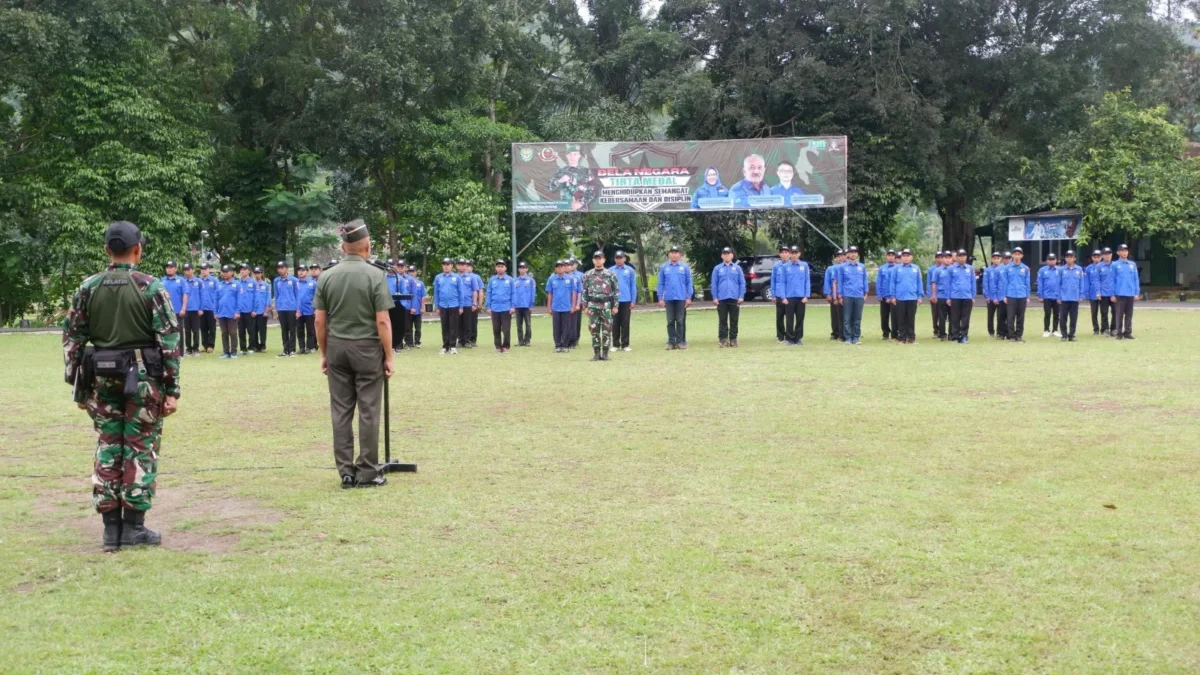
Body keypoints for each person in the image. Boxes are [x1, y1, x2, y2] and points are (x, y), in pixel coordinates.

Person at [63, 221, 179, 551]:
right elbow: (169, 342)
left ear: (106, 251)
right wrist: (172, 390)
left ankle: (110, 530)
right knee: (140, 447)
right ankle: (134, 528)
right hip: (144, 381)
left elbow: (72, 339)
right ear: (138, 249)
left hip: (100, 380)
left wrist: (78, 387)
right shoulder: (151, 287)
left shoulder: (88, 287)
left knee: (109, 445)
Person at [314, 219, 395, 489]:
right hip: (367, 348)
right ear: (367, 246)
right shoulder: (375, 275)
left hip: (337, 347)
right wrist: (389, 356)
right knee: (369, 411)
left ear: (343, 247)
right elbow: (383, 321)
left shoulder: (326, 276)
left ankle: (346, 473)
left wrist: (324, 353)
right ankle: (367, 472)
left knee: (340, 411)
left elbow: (319, 322)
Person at [583, 251, 620, 360]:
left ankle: (605, 353)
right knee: (594, 330)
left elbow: (616, 291)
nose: (598, 260)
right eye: (596, 258)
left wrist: (615, 306)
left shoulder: (610, 274)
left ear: (604, 260)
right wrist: (584, 307)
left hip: (606, 305)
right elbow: (584, 291)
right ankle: (596, 353)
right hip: (592, 305)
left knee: (607, 330)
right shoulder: (588, 275)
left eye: (600, 258)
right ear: (593, 260)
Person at [657, 246, 694, 349]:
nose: (674, 254)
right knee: (670, 321)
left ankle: (681, 342)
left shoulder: (684, 267)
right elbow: (661, 283)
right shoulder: (664, 267)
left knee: (680, 320)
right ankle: (671, 342)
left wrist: (688, 297)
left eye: (676, 252)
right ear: (669, 254)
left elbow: (689, 283)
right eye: (672, 252)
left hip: (681, 297)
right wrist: (660, 298)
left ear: (680, 255)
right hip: (668, 298)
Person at [711, 247, 746, 347]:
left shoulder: (737, 268)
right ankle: (723, 339)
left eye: (728, 254)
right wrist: (715, 297)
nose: (726, 255)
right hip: (721, 298)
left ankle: (733, 339)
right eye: (724, 254)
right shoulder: (717, 268)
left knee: (734, 320)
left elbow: (742, 283)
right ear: (722, 256)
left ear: (732, 255)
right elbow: (714, 284)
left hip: (734, 297)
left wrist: (741, 296)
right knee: (722, 320)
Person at [834, 246, 868, 344]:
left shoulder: (862, 267)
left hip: (859, 295)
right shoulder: (843, 267)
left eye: (855, 252)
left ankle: (856, 337)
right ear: (847, 254)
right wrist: (840, 295)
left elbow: (865, 280)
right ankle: (848, 337)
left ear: (857, 254)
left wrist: (865, 293)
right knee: (847, 318)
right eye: (851, 252)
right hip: (847, 295)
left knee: (857, 317)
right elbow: (840, 281)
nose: (853, 254)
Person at [891, 249, 924, 344]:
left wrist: (920, 296)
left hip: (912, 297)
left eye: (908, 255)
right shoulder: (896, 268)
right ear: (901, 257)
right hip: (900, 297)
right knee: (901, 318)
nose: (906, 257)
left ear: (911, 257)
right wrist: (893, 296)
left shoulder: (916, 268)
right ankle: (901, 338)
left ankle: (911, 338)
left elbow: (919, 283)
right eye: (904, 256)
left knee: (911, 318)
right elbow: (892, 283)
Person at [548, 144, 594, 211]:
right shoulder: (561, 171)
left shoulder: (586, 171)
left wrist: (581, 203)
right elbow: (550, 187)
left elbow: (592, 190)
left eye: (575, 154)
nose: (572, 157)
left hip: (581, 209)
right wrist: (560, 180)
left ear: (579, 156)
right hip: (565, 208)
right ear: (567, 156)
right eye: (570, 154)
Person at [545, 260, 577, 353]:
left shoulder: (570, 279)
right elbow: (550, 294)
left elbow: (573, 293)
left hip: (567, 306)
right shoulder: (552, 279)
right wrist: (549, 307)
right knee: (556, 327)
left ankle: (565, 345)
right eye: (558, 267)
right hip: (556, 307)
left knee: (566, 327)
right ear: (555, 268)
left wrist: (573, 306)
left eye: (562, 266)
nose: (560, 268)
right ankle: (558, 345)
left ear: (564, 267)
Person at [432, 258, 462, 355]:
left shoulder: (457, 277)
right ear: (442, 266)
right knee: (444, 326)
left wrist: (461, 307)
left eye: (448, 264)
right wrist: (436, 306)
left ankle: (453, 346)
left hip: (454, 304)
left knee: (453, 326)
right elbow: (436, 293)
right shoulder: (438, 277)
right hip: (443, 305)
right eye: (444, 264)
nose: (446, 266)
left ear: (452, 266)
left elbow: (461, 293)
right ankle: (445, 346)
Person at [945, 249, 976, 343]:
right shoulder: (951, 269)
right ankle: (955, 336)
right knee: (955, 318)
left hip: (967, 296)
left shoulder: (970, 269)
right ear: (957, 257)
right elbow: (948, 284)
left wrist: (973, 296)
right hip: (955, 296)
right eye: (960, 256)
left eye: (964, 256)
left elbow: (973, 283)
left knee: (965, 318)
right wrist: (948, 297)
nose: (962, 258)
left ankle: (964, 336)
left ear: (966, 257)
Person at [783, 246, 811, 345]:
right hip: (789, 297)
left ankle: (798, 338)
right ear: (789, 254)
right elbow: (782, 282)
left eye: (796, 253)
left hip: (801, 297)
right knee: (789, 319)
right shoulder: (785, 266)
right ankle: (790, 338)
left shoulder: (804, 265)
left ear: (799, 254)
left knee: (800, 318)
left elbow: (807, 281)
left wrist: (806, 295)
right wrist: (783, 297)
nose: (794, 255)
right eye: (792, 253)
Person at [1111, 243, 1140, 339]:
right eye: (1122, 251)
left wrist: (1136, 292)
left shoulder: (1132, 265)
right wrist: (1112, 294)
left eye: (1126, 250)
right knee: (1119, 314)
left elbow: (1136, 279)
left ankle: (1127, 332)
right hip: (1120, 293)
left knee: (1129, 314)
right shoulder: (1115, 265)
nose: (1124, 253)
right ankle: (1119, 333)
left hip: (1130, 293)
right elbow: (1112, 280)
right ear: (1118, 252)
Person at [610, 251, 637, 351]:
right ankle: (615, 344)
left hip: (626, 300)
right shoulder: (610, 270)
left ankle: (625, 344)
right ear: (614, 259)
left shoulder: (629, 270)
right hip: (614, 300)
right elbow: (608, 287)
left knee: (625, 323)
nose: (619, 259)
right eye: (617, 258)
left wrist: (633, 300)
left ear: (624, 258)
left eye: (621, 258)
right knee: (615, 323)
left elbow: (633, 286)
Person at [271, 261, 300, 357]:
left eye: (282, 267)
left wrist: (298, 310)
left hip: (291, 308)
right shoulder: (276, 281)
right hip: (281, 308)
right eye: (279, 268)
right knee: (284, 330)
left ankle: (292, 350)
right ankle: (285, 350)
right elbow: (276, 295)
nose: (280, 270)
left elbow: (298, 296)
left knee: (292, 329)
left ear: (286, 269)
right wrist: (276, 310)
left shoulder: (294, 280)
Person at [1057, 250, 1087, 342]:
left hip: (1075, 298)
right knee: (1063, 318)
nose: (1069, 258)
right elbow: (1058, 284)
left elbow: (1081, 283)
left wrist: (1081, 295)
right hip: (1064, 297)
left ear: (1074, 258)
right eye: (1067, 257)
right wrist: (1058, 297)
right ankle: (1064, 335)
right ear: (1065, 258)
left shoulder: (1079, 269)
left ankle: (1072, 335)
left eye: (1071, 257)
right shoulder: (1061, 270)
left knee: (1073, 318)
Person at [487, 259, 515, 353]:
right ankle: (498, 347)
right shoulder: (492, 280)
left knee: (506, 329)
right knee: (496, 328)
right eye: (498, 266)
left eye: (502, 266)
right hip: (495, 308)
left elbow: (513, 294)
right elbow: (489, 293)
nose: (500, 268)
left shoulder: (510, 280)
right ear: (496, 268)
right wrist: (488, 307)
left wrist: (513, 306)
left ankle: (506, 346)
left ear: (505, 268)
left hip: (506, 307)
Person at [1003, 247, 1031, 342]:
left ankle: (1019, 335)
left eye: (1019, 254)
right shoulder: (1007, 268)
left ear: (1022, 256)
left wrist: (1028, 296)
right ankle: (1011, 336)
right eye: (1015, 254)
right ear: (1012, 255)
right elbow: (1005, 283)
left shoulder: (1025, 268)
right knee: (1010, 316)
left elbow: (1027, 283)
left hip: (1022, 295)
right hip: (1010, 295)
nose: (1017, 256)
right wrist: (1004, 296)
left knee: (1020, 316)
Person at [216, 264, 242, 359]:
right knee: (224, 333)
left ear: (232, 273)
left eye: (227, 272)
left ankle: (234, 352)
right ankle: (226, 352)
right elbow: (216, 299)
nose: (225, 274)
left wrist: (237, 312)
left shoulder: (237, 284)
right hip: (221, 312)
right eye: (224, 272)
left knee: (233, 333)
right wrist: (215, 312)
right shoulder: (219, 285)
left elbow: (239, 299)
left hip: (232, 313)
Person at [386, 260, 409, 353]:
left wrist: (403, 306)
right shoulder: (382, 278)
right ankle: (387, 346)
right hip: (385, 304)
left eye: (392, 265)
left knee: (398, 326)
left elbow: (404, 293)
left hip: (397, 304)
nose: (391, 267)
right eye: (389, 265)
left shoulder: (400, 279)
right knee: (387, 325)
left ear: (395, 266)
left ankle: (397, 345)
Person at [1037, 253, 1061, 338]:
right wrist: (1040, 295)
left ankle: (1055, 330)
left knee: (1056, 314)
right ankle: (1046, 330)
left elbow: (1062, 283)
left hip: (1057, 296)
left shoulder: (1060, 270)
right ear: (1047, 261)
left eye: (1053, 259)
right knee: (1047, 314)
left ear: (1056, 260)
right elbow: (1040, 283)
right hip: (1046, 296)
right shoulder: (1042, 270)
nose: (1051, 261)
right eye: (1050, 259)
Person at [983, 252, 1005, 339]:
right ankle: (991, 331)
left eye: (998, 258)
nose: (996, 260)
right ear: (992, 260)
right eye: (994, 258)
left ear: (1000, 259)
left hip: (1000, 297)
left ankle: (1000, 332)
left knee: (1000, 316)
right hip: (990, 297)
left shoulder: (1003, 269)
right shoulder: (988, 270)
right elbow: (985, 283)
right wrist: (987, 296)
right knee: (990, 315)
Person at [197, 263, 219, 353]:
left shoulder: (214, 280)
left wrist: (216, 310)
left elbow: (218, 294)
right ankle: (205, 345)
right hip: (202, 308)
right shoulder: (198, 281)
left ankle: (211, 345)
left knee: (212, 328)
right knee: (203, 328)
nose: (203, 271)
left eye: (205, 269)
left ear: (209, 270)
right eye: (202, 269)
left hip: (211, 308)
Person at [297, 264, 318, 354]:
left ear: (307, 272)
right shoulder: (296, 283)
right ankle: (301, 347)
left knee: (310, 330)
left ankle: (309, 347)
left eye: (303, 270)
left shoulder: (313, 283)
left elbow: (317, 297)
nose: (301, 272)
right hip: (299, 311)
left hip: (309, 309)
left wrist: (316, 309)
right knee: (300, 330)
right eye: (299, 270)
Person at [824, 250, 845, 341]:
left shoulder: (847, 267)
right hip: (834, 294)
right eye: (838, 256)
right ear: (835, 258)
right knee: (835, 315)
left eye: (842, 256)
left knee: (846, 315)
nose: (840, 258)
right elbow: (827, 282)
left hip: (845, 294)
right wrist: (827, 294)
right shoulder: (830, 269)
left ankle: (844, 333)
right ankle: (835, 333)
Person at [513, 262, 535, 347]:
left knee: (528, 324)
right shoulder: (515, 281)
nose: (522, 269)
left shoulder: (530, 280)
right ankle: (520, 341)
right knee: (519, 325)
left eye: (524, 267)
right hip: (518, 306)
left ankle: (527, 340)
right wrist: (513, 305)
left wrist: (531, 305)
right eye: (520, 267)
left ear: (526, 269)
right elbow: (513, 293)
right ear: (518, 269)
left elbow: (533, 293)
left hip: (527, 306)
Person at [772, 245, 791, 342]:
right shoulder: (776, 266)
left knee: (789, 316)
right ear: (780, 254)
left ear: (789, 254)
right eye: (782, 252)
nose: (784, 254)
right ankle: (780, 335)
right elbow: (773, 281)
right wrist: (773, 295)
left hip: (789, 294)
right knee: (779, 316)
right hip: (779, 294)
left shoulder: (792, 265)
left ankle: (789, 335)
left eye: (786, 252)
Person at [182, 263, 202, 356]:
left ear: (193, 270)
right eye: (185, 270)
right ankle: (188, 349)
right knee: (187, 330)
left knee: (196, 330)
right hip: (185, 310)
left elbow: (203, 296)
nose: (187, 271)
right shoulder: (182, 281)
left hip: (195, 309)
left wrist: (201, 308)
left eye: (189, 269)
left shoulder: (198, 281)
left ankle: (196, 348)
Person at [876, 250, 897, 340]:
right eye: (889, 255)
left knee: (895, 316)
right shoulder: (882, 268)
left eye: (892, 255)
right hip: (884, 296)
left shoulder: (898, 268)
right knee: (884, 316)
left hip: (894, 297)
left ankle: (895, 333)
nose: (891, 257)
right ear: (886, 257)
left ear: (895, 257)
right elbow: (879, 282)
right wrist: (879, 294)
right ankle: (885, 333)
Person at [236, 264, 255, 355]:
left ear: (249, 271)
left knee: (251, 330)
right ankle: (243, 348)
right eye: (241, 269)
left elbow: (256, 297)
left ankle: (251, 347)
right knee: (241, 330)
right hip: (240, 311)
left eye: (244, 269)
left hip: (249, 310)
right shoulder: (237, 283)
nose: (242, 271)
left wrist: (255, 309)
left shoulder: (253, 282)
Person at [251, 266, 271, 352]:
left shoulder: (266, 285)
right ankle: (255, 345)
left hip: (262, 311)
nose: (257, 275)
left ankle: (263, 345)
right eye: (255, 273)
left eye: (258, 273)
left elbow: (268, 298)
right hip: (253, 311)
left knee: (262, 330)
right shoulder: (251, 284)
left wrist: (266, 311)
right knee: (253, 330)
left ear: (261, 274)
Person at [1097, 247, 1115, 336]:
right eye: (1105, 254)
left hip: (1114, 293)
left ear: (1111, 255)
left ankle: (1114, 329)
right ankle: (1105, 329)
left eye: (1109, 254)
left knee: (1115, 311)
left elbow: (1117, 280)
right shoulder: (1099, 266)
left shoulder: (1116, 265)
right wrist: (1098, 292)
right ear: (1103, 256)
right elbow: (1097, 280)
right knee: (1104, 312)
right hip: (1103, 293)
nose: (1107, 256)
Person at [406, 264, 425, 349]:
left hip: (417, 309)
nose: (411, 273)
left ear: (416, 272)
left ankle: (417, 342)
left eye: (413, 271)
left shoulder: (420, 283)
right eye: (410, 271)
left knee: (418, 328)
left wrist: (422, 307)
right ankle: (409, 343)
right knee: (408, 327)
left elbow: (423, 296)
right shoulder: (405, 282)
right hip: (408, 308)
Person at [1086, 250, 1104, 335]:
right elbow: (1086, 281)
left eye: (1098, 257)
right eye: (1095, 257)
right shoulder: (1089, 268)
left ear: (1101, 257)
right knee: (1094, 313)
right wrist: (1086, 293)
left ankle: (1104, 329)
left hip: (1103, 293)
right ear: (1092, 258)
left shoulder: (1105, 266)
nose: (1096, 259)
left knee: (1104, 312)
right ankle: (1096, 329)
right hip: (1092, 293)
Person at [568, 258, 584, 348]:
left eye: (573, 263)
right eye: (570, 264)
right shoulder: (565, 274)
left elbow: (583, 289)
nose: (571, 265)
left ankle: (576, 338)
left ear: (576, 265)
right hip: (567, 302)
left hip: (578, 302)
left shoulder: (580, 275)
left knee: (577, 322)